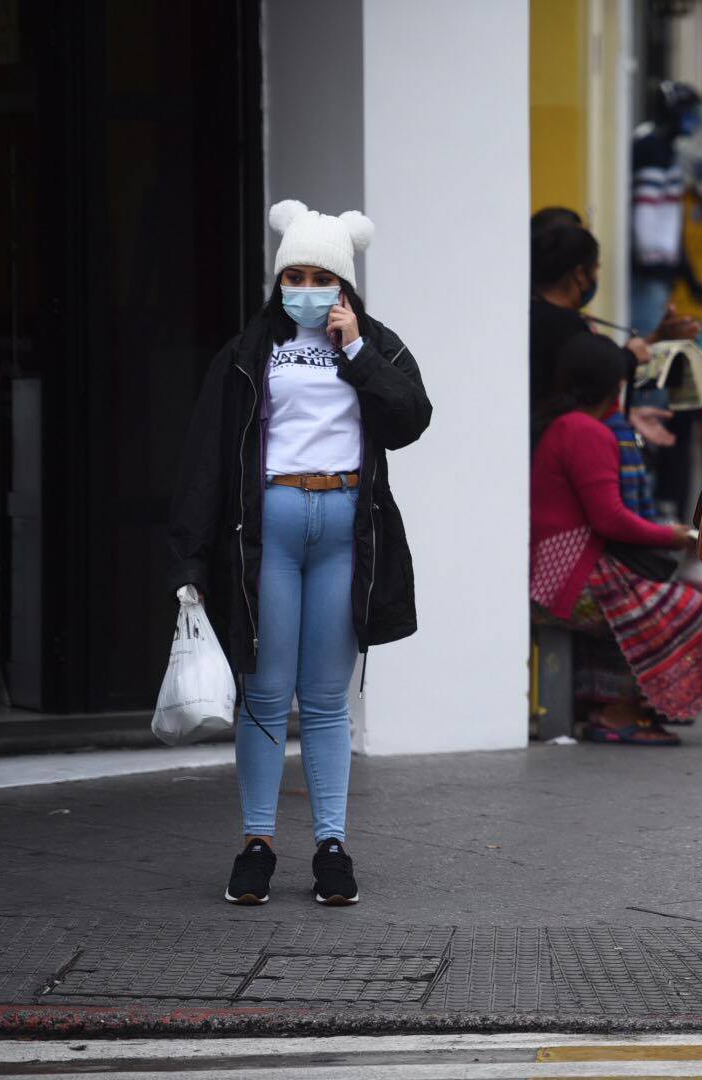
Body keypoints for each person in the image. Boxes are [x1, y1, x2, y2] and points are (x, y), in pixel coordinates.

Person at [168, 199, 432, 907]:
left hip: (345, 526)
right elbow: (206, 457)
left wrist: (355, 352)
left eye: (323, 276)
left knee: (323, 699)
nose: (307, 288)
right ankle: (257, 842)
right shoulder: (250, 350)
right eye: (297, 274)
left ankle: (332, 847)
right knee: (264, 692)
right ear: (279, 279)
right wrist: (191, 560)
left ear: (344, 284)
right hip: (270, 532)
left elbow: (410, 420)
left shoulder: (374, 345)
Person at [530, 335, 702, 746]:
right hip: (568, 580)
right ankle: (619, 713)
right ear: (616, 386)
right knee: (689, 607)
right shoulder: (587, 432)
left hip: (556, 572)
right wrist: (676, 536)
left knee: (651, 599)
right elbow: (610, 519)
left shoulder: (563, 425)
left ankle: (607, 703)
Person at [529, 223, 690, 450]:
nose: (596, 277)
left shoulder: (525, 315)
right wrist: (630, 356)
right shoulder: (569, 327)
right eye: (595, 269)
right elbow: (596, 373)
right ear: (580, 275)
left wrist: (654, 338)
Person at [630, 80, 701, 334]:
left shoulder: (664, 150)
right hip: (649, 268)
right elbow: (645, 210)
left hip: (658, 267)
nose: (695, 119)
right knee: (646, 333)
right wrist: (652, 261)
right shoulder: (652, 148)